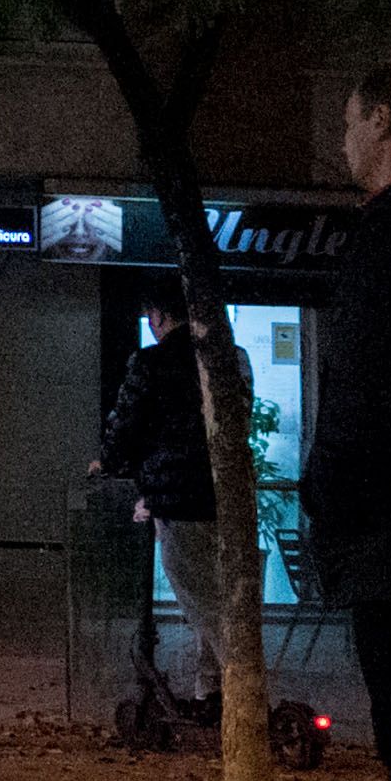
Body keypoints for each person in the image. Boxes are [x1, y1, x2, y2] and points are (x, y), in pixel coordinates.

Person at [305, 64, 391, 781]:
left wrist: (325, 511)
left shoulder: (383, 242)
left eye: (348, 122)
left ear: (383, 123)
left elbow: (361, 398)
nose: (340, 141)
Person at [95, 284, 230, 713]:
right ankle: (210, 691)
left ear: (156, 316)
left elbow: (126, 423)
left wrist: (108, 463)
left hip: (177, 497)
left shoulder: (152, 362)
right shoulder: (227, 358)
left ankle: (242, 688)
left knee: (198, 598)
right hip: (224, 499)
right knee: (218, 596)